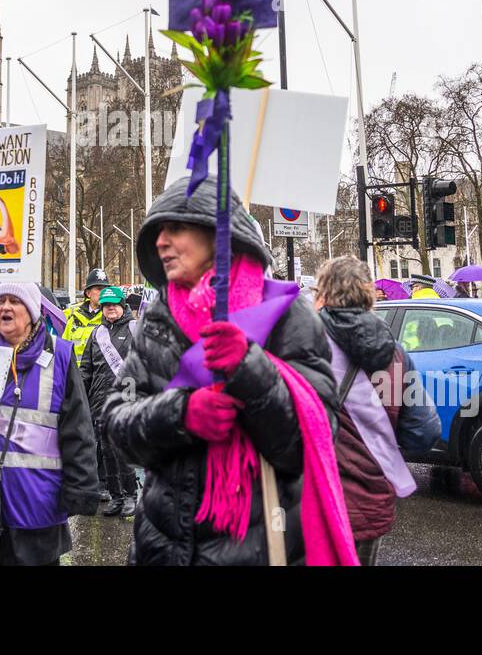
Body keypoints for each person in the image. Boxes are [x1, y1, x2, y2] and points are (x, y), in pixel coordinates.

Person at [103, 175, 355, 566]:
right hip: (162, 550)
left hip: (258, 549)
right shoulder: (157, 318)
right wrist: (181, 414)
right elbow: (117, 426)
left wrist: (250, 371)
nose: (161, 242)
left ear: (217, 234)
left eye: (175, 228)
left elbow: (310, 442)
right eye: (157, 232)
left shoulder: (288, 315)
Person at [0, 281, 99, 565]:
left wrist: (81, 485)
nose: (5, 307)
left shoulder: (59, 354)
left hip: (37, 505)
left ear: (33, 312)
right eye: (1, 300)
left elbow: (77, 429)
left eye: (15, 301)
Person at [314, 258, 439, 565]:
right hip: (370, 497)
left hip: (315, 498)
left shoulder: (305, 344)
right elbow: (425, 430)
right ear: (369, 295)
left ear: (323, 295)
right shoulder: (397, 355)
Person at [81, 285, 139, 517]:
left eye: (114, 304)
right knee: (106, 452)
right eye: (105, 305)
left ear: (122, 305)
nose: (110, 309)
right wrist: (82, 397)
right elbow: (86, 369)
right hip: (99, 403)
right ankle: (115, 496)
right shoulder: (97, 334)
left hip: (126, 400)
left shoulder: (135, 329)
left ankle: (131, 495)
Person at [62, 267, 109, 367]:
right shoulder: (74, 317)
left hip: (98, 377)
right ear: (88, 293)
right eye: (99, 289)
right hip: (75, 374)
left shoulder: (110, 317)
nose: (103, 292)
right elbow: (63, 348)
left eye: (106, 289)